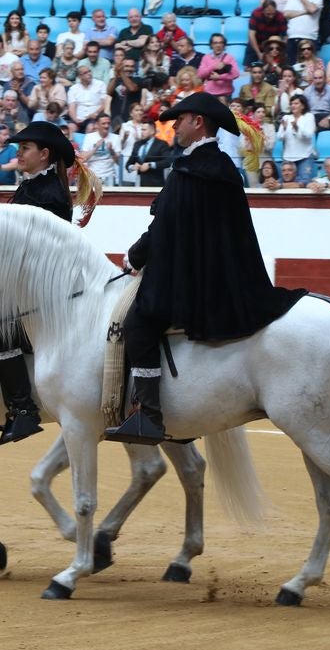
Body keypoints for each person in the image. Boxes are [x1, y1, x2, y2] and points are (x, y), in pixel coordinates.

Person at [106, 92, 305, 445]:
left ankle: (149, 415)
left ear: (198, 123)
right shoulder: (220, 167)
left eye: (180, 120)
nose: (174, 127)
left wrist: (134, 257)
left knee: (139, 321)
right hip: (222, 275)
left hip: (193, 279)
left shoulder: (190, 170)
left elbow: (163, 228)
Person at [0, 120, 102, 445]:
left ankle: (23, 407)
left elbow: (33, 249)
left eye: (24, 148)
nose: (19, 154)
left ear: (44, 154)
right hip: (26, 283)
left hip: (40, 289)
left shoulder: (49, 194)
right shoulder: (32, 187)